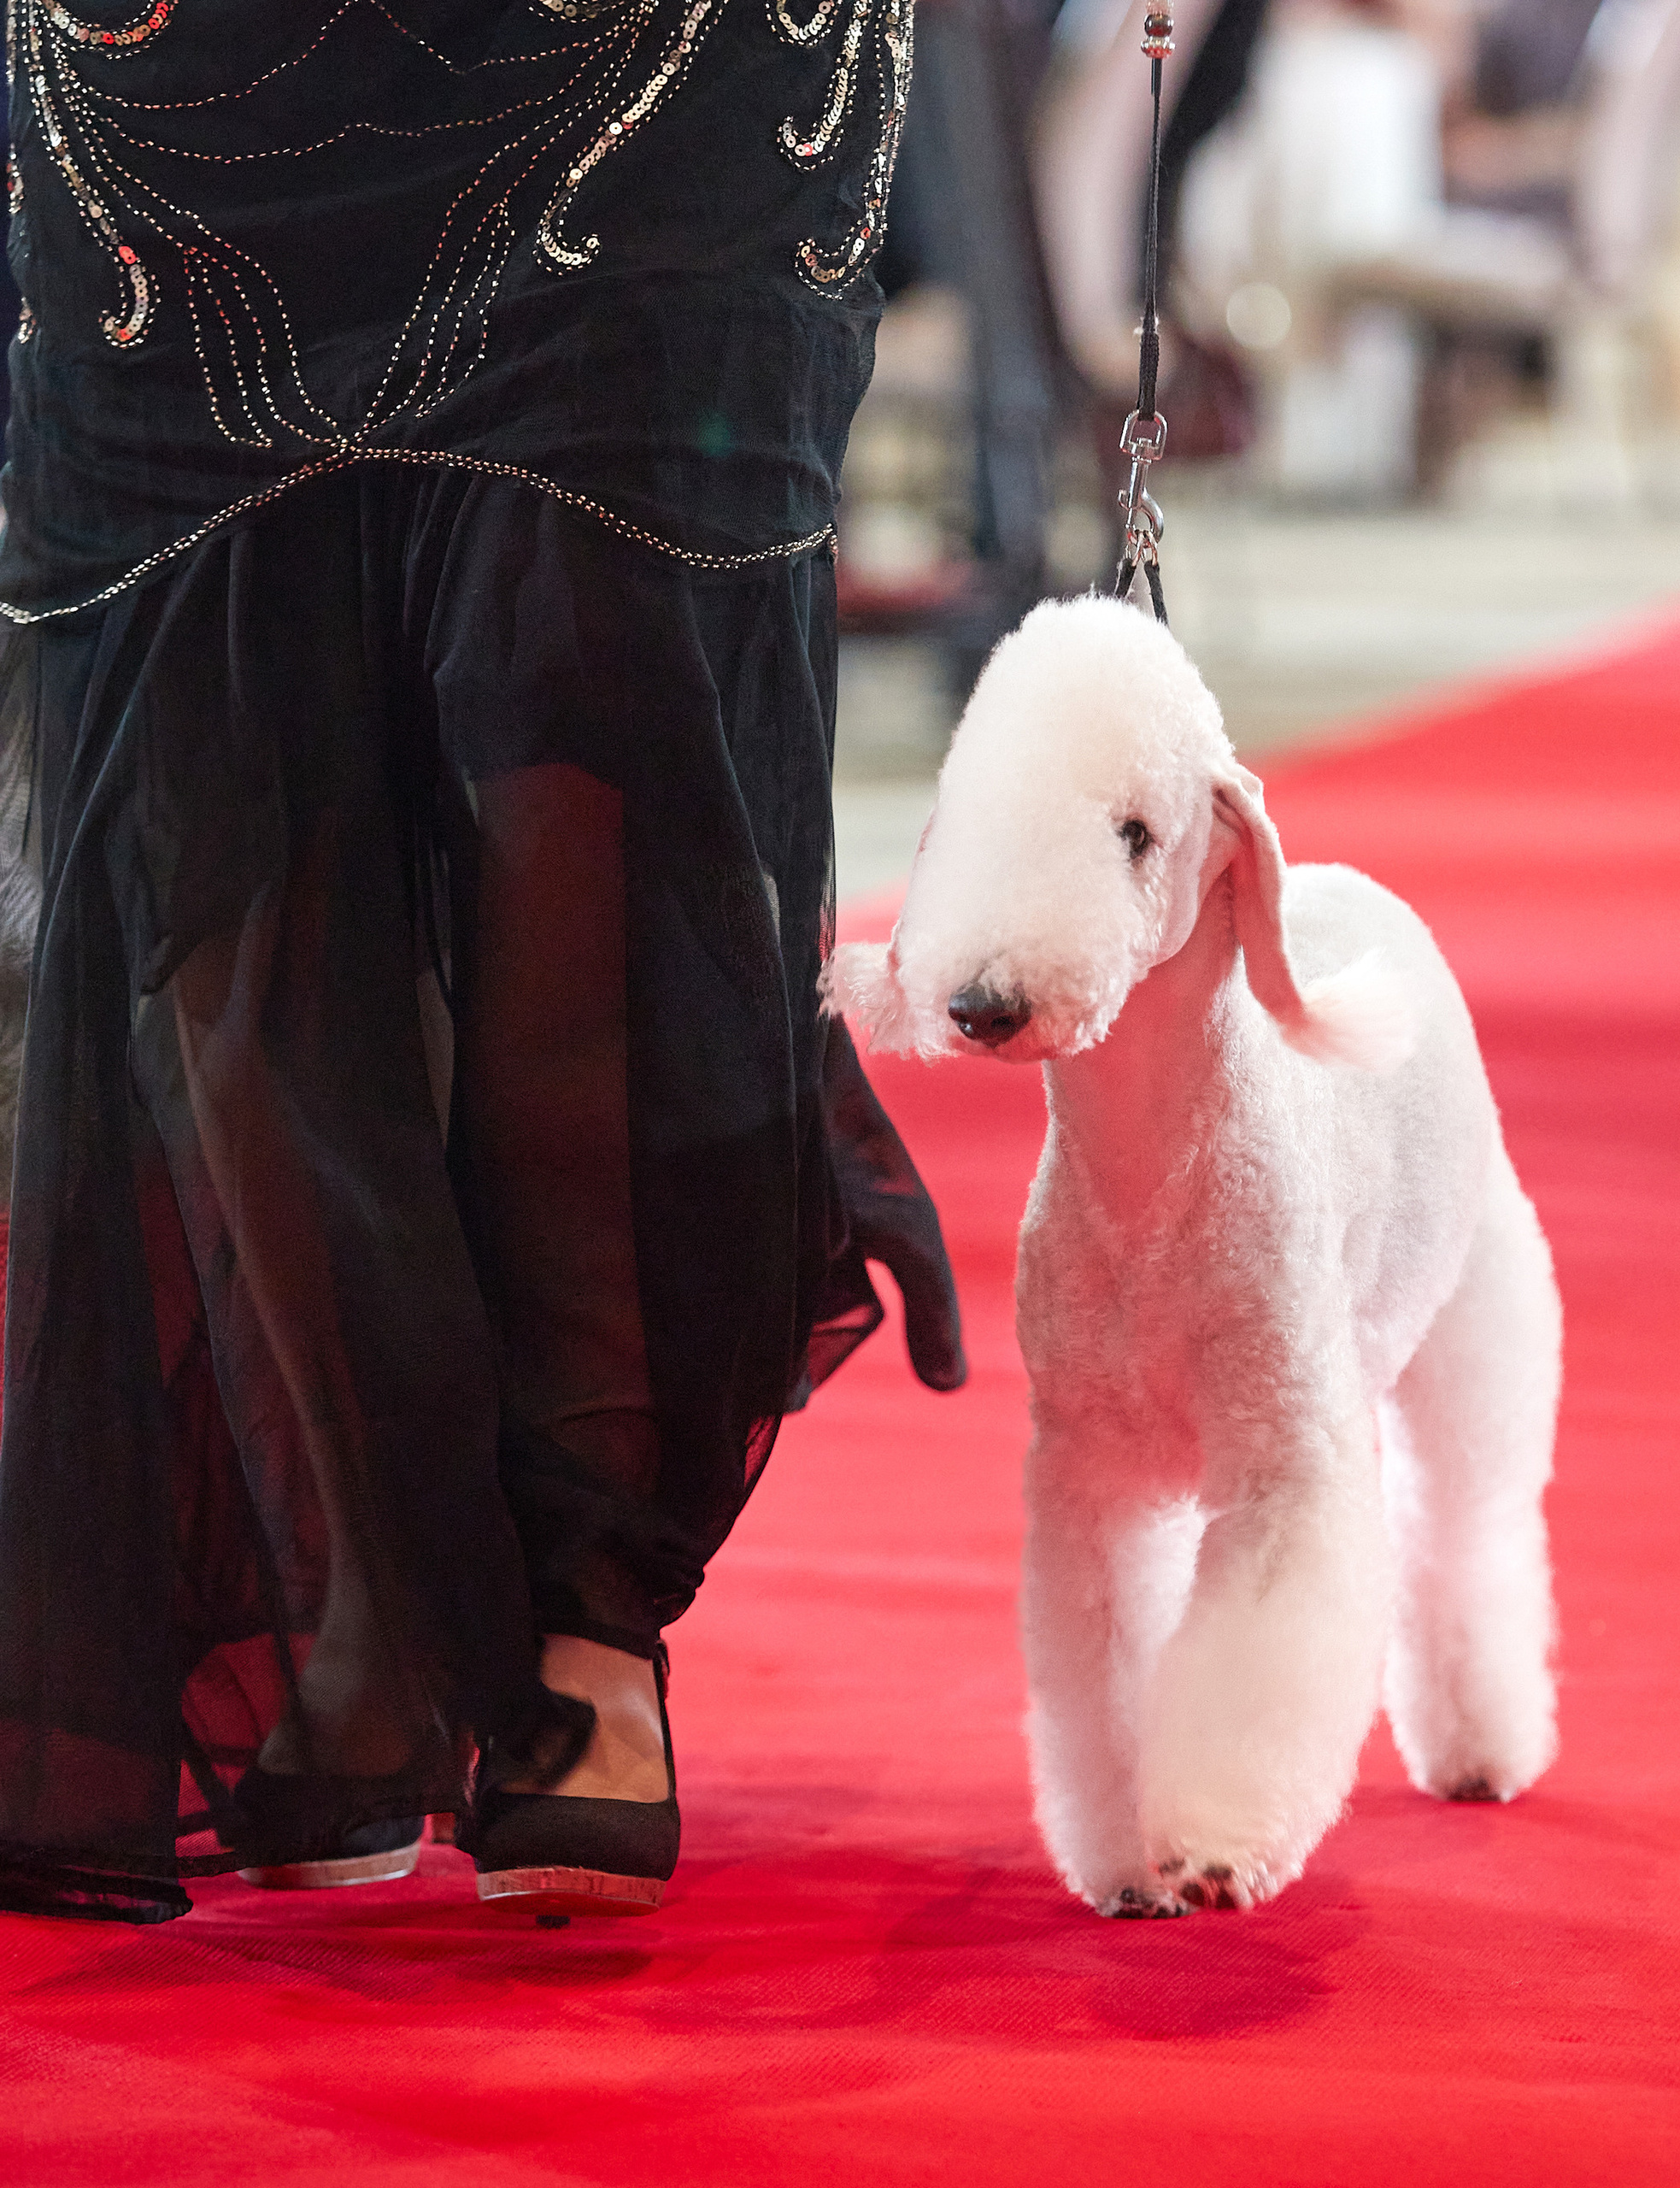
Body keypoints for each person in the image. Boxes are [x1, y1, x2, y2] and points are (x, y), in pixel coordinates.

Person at [0, 0, 960, 1926]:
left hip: (655, 69)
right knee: (216, 804)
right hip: (182, 75)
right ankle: (363, 1561)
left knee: (598, 768)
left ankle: (586, 1618)